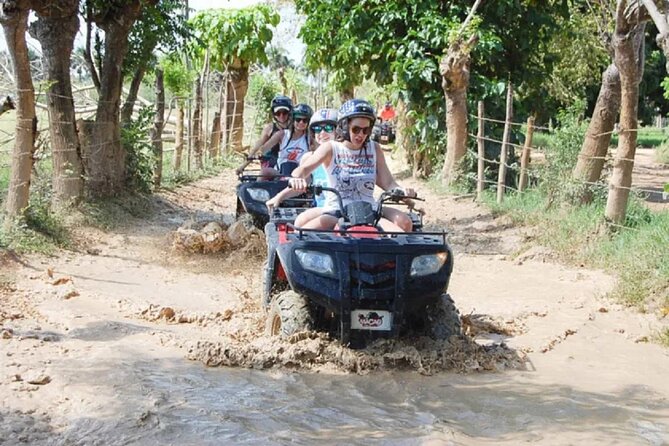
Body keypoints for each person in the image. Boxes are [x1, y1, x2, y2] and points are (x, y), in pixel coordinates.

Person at [288, 99, 416, 232]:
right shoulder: (330, 148)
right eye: (356, 129)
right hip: (337, 210)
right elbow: (302, 170)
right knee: (304, 233)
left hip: (369, 211)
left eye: (365, 130)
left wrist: (402, 191)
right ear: (344, 126)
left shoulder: (374, 148)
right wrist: (297, 179)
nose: (361, 134)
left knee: (404, 225)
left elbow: (389, 182)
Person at [265, 108, 338, 213]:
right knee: (298, 224)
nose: (322, 133)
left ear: (338, 130)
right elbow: (300, 186)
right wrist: (279, 197)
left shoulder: (346, 154)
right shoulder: (309, 158)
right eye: (317, 129)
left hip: (344, 210)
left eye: (328, 128)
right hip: (321, 210)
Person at [236, 95, 293, 175]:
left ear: (290, 113)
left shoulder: (295, 128)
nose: (281, 116)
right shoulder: (269, 128)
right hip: (271, 163)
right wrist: (243, 166)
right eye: (278, 113)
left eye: (285, 112)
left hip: (290, 163)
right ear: (273, 113)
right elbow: (257, 148)